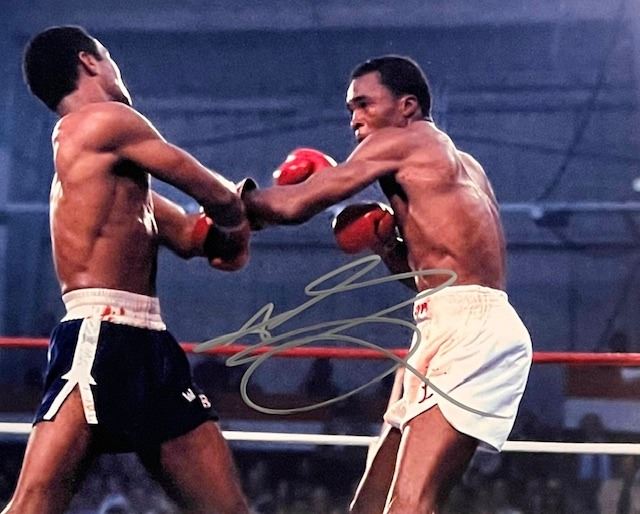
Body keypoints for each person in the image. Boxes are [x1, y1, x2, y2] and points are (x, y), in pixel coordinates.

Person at [241, 55, 532, 512]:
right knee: (372, 504)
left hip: (470, 332)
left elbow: (295, 205)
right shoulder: (458, 166)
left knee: (410, 503)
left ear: (407, 106)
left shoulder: (405, 140)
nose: (354, 119)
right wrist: (385, 247)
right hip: (445, 322)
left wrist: (230, 201)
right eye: (350, 109)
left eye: (364, 104)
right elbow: (436, 280)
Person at [3, 25, 251, 514]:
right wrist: (254, 204)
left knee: (227, 509)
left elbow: (202, 240)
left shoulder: (119, 184)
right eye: (110, 58)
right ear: (89, 61)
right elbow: (216, 195)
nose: (118, 70)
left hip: (150, 344)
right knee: (34, 505)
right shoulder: (102, 121)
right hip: (102, 335)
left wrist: (237, 228)